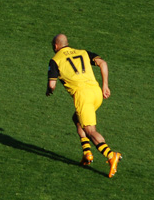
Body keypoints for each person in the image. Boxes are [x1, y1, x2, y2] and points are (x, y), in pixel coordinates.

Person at [46, 33, 122, 177]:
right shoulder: (83, 53)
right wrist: (105, 86)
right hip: (96, 92)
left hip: (83, 96)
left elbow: (52, 84)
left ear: (56, 46)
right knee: (77, 119)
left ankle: (111, 155)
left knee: (90, 131)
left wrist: (48, 90)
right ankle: (87, 153)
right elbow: (103, 63)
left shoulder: (55, 60)